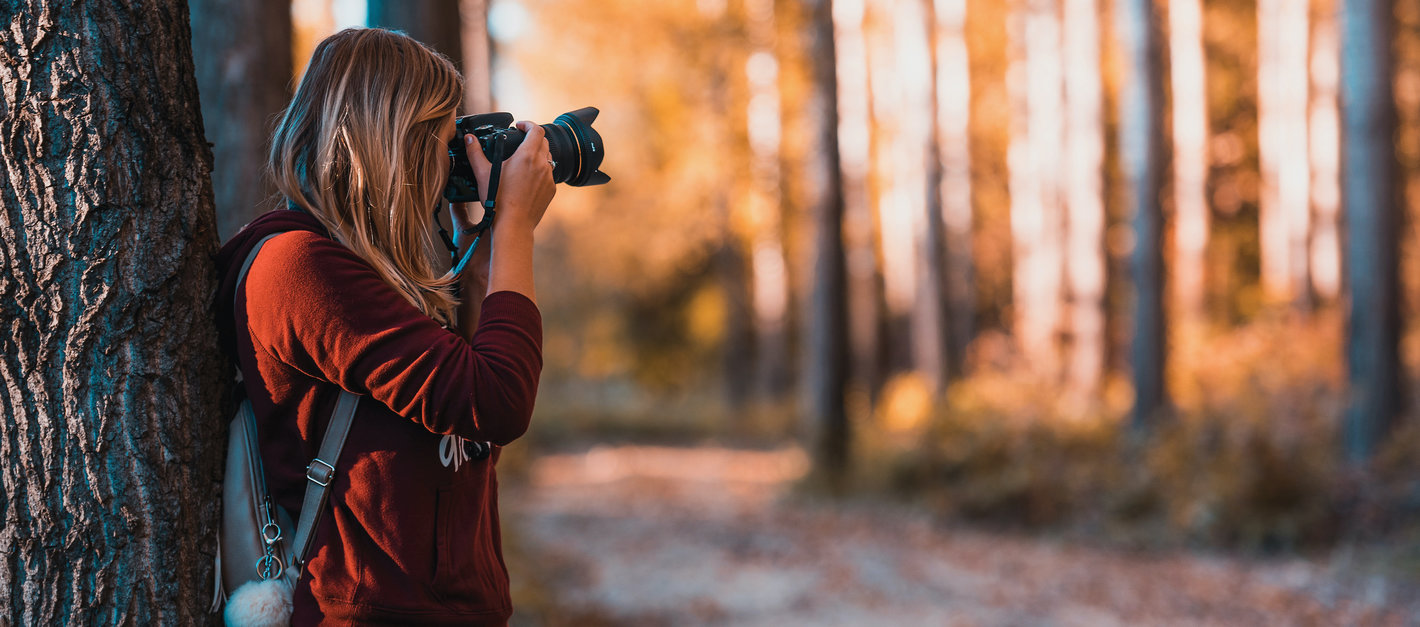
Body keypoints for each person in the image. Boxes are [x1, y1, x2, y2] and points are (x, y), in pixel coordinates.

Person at [214, 27, 553, 625]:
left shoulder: (361, 269)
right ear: (398, 142)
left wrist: (471, 231)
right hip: (360, 610)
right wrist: (515, 229)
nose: (447, 164)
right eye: (442, 145)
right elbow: (495, 400)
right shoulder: (300, 267)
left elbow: (465, 377)